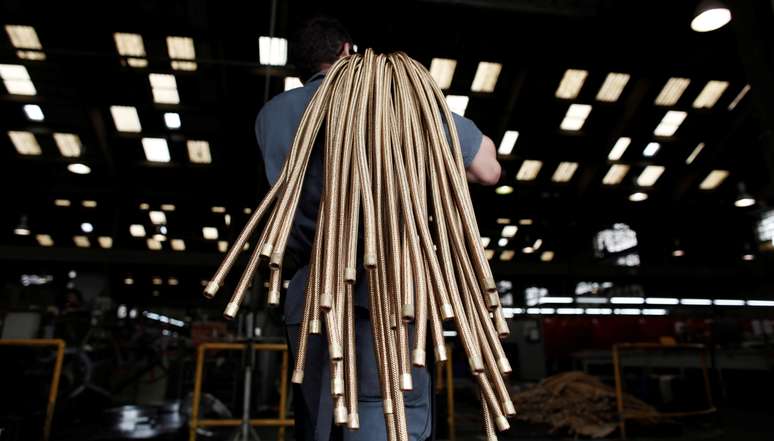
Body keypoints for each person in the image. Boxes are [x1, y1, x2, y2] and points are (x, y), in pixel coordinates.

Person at [254, 16, 501, 441]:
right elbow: (487, 170)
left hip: (310, 294)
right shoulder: (398, 101)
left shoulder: (273, 114)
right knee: (385, 417)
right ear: (349, 51)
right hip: (390, 292)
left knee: (321, 422)